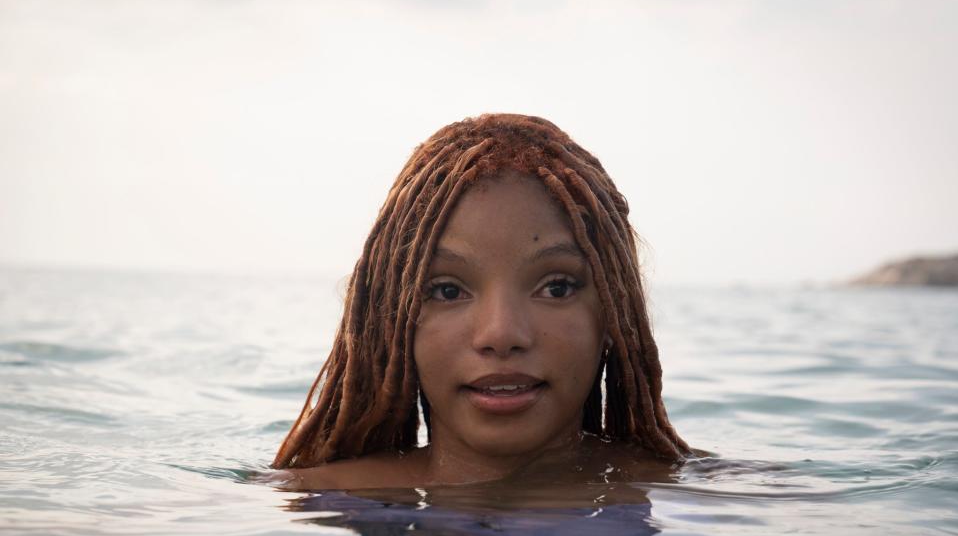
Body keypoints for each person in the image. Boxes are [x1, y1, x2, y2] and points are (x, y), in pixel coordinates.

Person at [270, 113, 689, 490]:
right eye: (448, 290)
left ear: (615, 313)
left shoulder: (704, 495)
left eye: (557, 287)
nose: (501, 334)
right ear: (388, 322)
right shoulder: (316, 500)